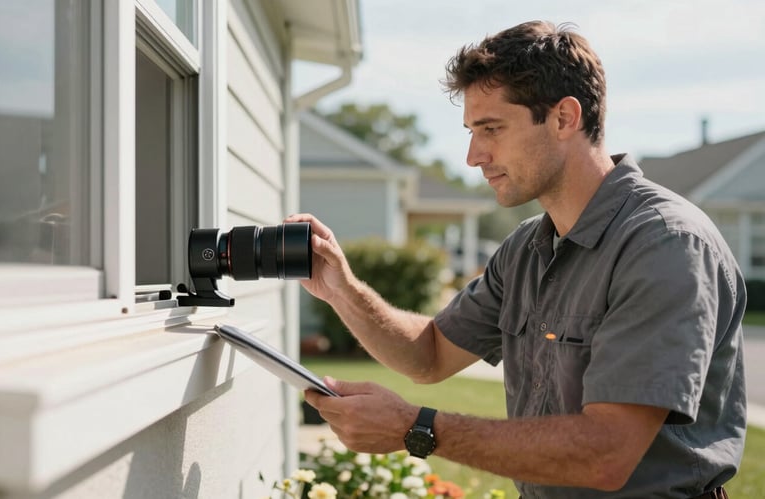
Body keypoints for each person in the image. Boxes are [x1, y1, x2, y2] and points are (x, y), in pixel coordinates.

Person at [288, 20, 746, 499]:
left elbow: (608, 453)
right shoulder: (527, 248)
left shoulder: (664, 244)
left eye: (491, 129)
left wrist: (415, 427)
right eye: (471, 131)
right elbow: (429, 356)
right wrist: (341, 287)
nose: (472, 155)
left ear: (565, 118)